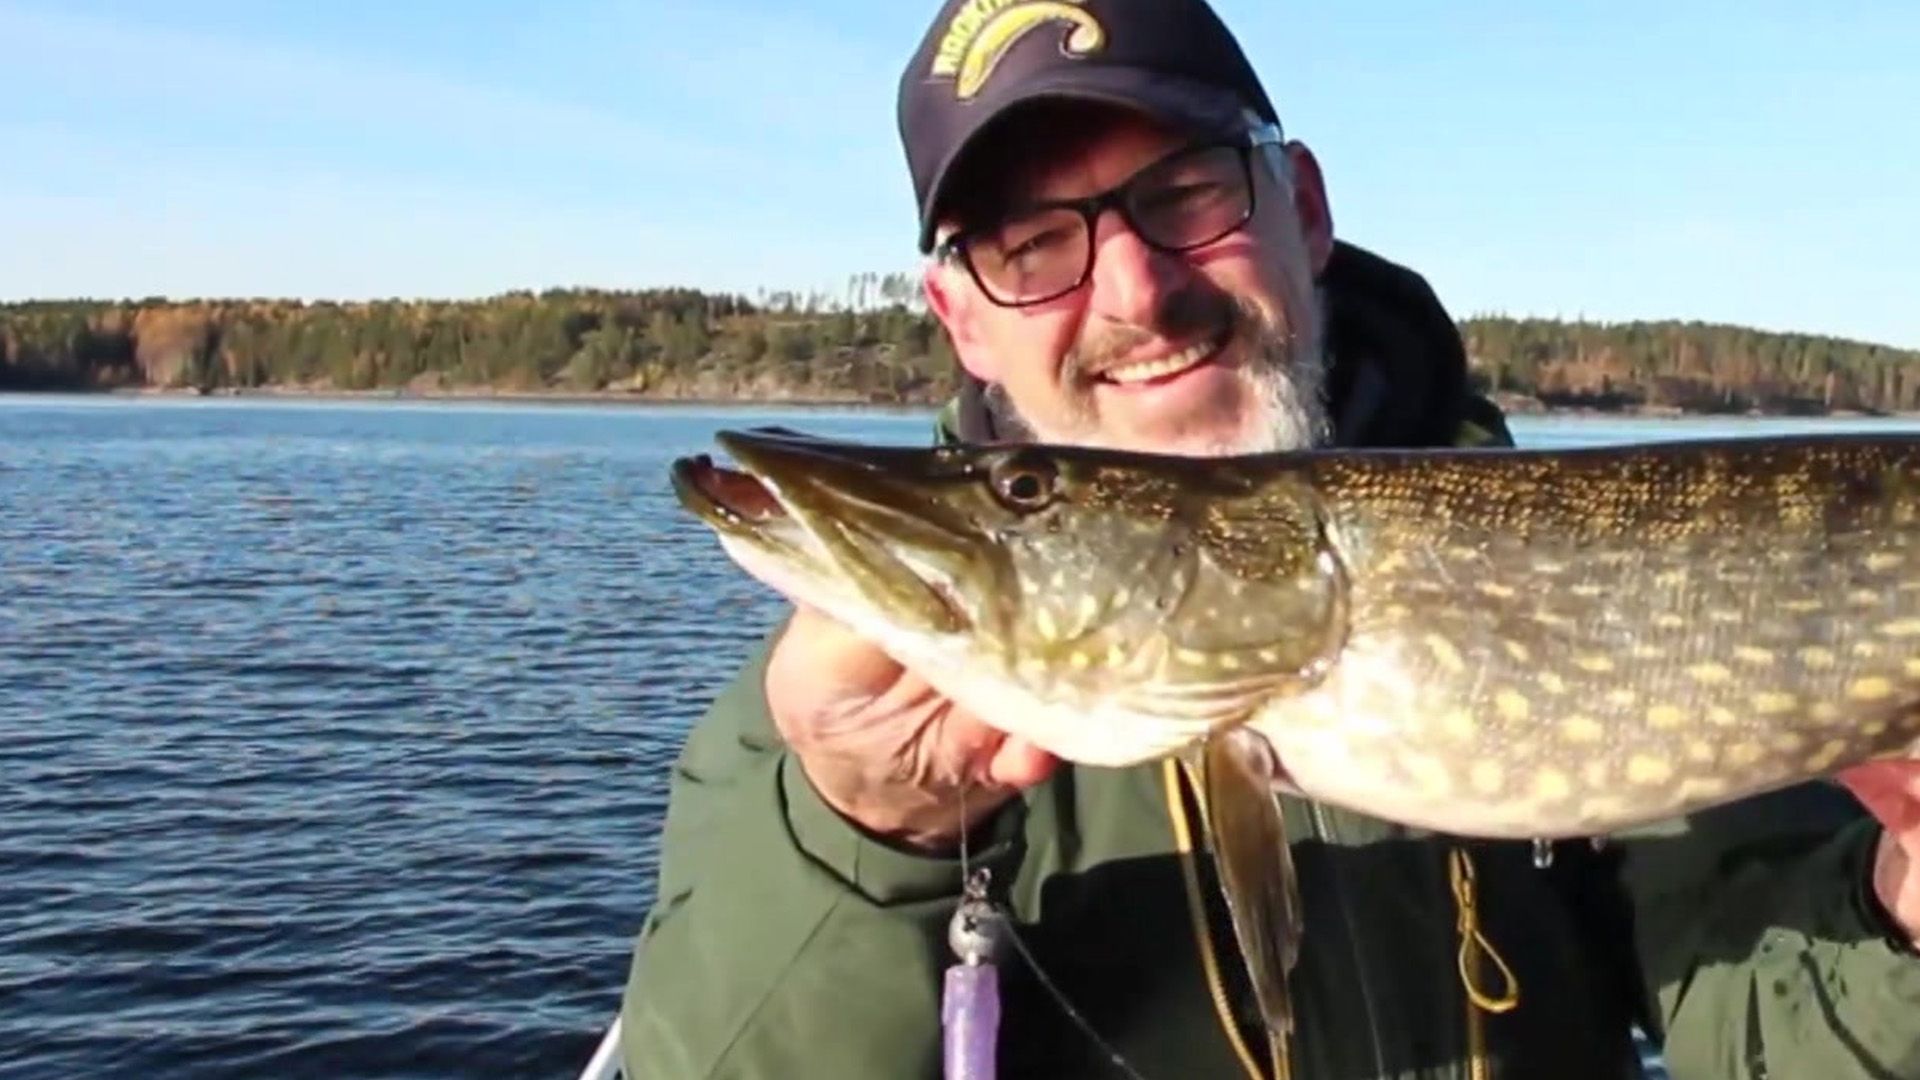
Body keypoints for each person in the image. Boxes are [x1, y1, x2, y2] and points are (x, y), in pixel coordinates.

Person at [619, 1, 1920, 1076]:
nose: (1136, 292)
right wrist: (863, 844)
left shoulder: (1631, 591)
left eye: (1187, 194)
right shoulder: (805, 751)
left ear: (1301, 205)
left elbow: (1770, 1032)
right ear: (960, 319)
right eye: (1032, 247)